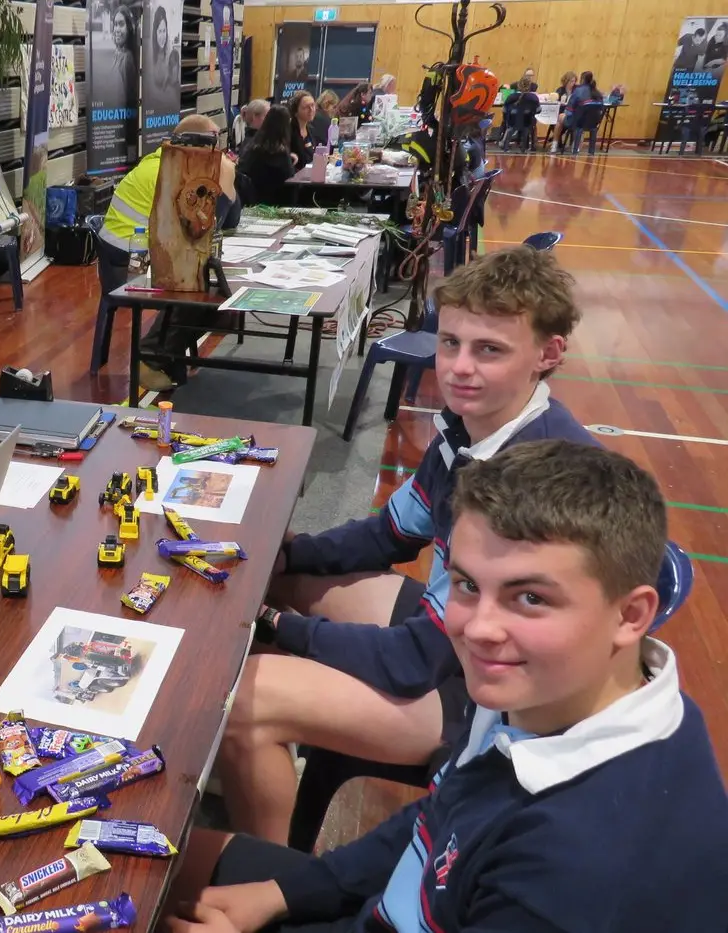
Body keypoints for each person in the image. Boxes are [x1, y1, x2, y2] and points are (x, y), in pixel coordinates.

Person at [167, 440, 728, 933]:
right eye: (466, 584)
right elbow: (434, 826)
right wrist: (282, 893)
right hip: (388, 906)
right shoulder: (544, 699)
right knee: (154, 853)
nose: (477, 630)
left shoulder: (578, 868)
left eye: (530, 597)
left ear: (631, 616)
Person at [215, 247, 598, 844]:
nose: (459, 368)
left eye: (489, 350)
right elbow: (390, 533)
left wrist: (273, 624)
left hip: (492, 707)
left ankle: (268, 875)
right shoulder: (473, 428)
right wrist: (285, 555)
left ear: (547, 355)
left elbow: (415, 660)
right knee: (280, 577)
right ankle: (267, 760)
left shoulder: (533, 487)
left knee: (241, 699)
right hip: (456, 640)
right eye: (450, 343)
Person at [99, 115, 239, 391]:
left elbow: (221, 221)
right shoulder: (175, 171)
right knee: (196, 288)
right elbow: (214, 223)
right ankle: (148, 359)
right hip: (128, 260)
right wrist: (226, 175)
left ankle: (165, 354)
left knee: (209, 291)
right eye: (215, 144)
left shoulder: (172, 161)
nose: (220, 152)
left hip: (139, 249)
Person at [235, 105, 297, 207]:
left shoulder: (252, 145)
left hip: (250, 200)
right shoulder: (280, 152)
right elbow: (289, 178)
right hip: (273, 203)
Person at [564, 70, 604, 154]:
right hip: (593, 123)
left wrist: (567, 114)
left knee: (561, 118)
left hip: (579, 123)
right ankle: (591, 151)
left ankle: (558, 144)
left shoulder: (578, 90)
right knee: (580, 119)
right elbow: (601, 109)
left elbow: (570, 108)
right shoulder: (598, 93)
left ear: (582, 79)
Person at [287, 91, 318, 168]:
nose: (311, 109)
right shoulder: (288, 130)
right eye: (306, 107)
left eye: (313, 105)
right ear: (296, 111)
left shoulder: (311, 130)